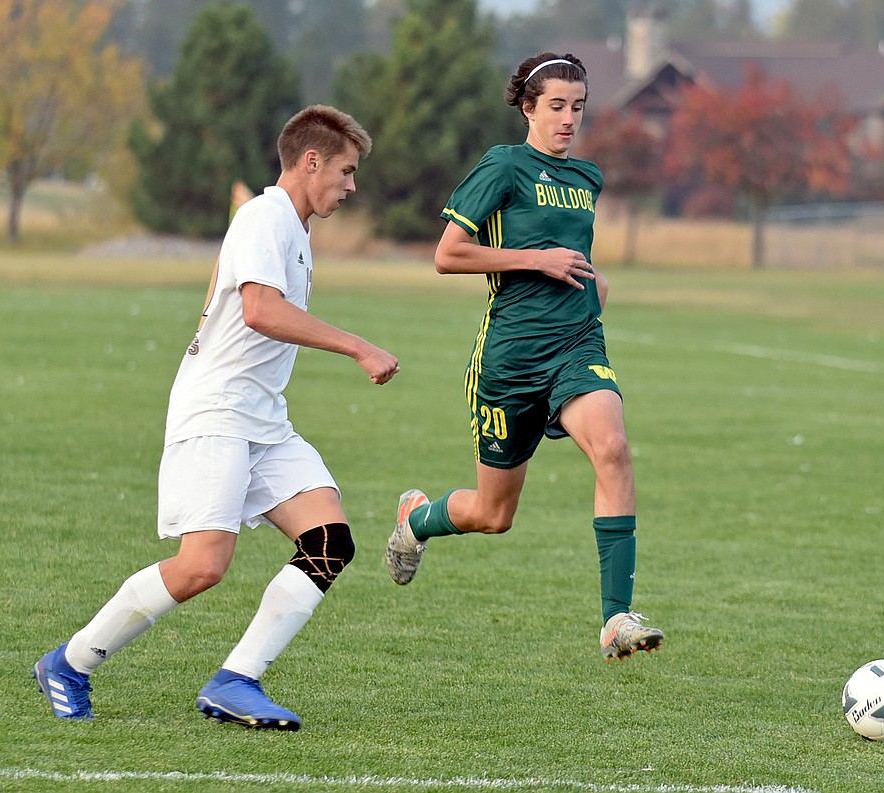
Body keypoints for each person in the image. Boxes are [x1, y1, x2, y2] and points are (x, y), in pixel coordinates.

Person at [33, 105, 399, 730]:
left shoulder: (291, 231)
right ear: (311, 162)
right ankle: (70, 663)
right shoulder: (264, 217)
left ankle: (235, 681)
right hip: (218, 413)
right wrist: (357, 344)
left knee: (330, 541)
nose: (351, 185)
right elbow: (259, 309)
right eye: (346, 170)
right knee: (203, 565)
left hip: (262, 419)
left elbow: (226, 303)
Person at [385, 53, 663, 663]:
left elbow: (580, 261)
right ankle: (417, 517)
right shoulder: (503, 167)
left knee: (614, 449)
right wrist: (538, 260)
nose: (569, 118)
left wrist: (592, 293)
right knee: (493, 513)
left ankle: (616, 617)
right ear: (528, 107)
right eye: (557, 106)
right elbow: (448, 254)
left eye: (579, 107)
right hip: (509, 361)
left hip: (575, 347)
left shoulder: (587, 178)